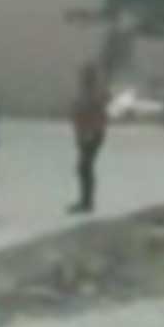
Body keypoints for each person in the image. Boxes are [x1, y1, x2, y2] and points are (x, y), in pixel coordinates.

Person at [69, 65, 109, 215]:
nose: (81, 79)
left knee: (85, 167)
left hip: (91, 134)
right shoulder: (87, 94)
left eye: (84, 76)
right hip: (86, 134)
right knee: (84, 168)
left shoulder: (92, 95)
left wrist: (89, 132)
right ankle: (86, 200)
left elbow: (96, 115)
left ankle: (87, 202)